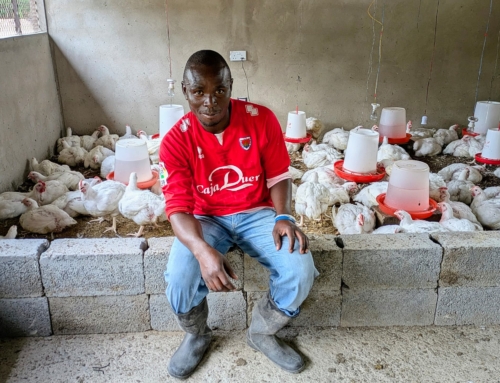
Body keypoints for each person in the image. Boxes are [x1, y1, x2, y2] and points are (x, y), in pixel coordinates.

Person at [160, 49, 318, 380]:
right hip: (205, 218)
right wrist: (202, 251)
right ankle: (197, 335)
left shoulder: (261, 119)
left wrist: (283, 217)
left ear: (231, 86)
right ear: (185, 93)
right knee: (179, 278)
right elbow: (176, 208)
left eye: (219, 89)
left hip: (257, 212)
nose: (210, 101)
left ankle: (262, 332)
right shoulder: (176, 140)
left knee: (300, 269)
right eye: (198, 91)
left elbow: (278, 176)